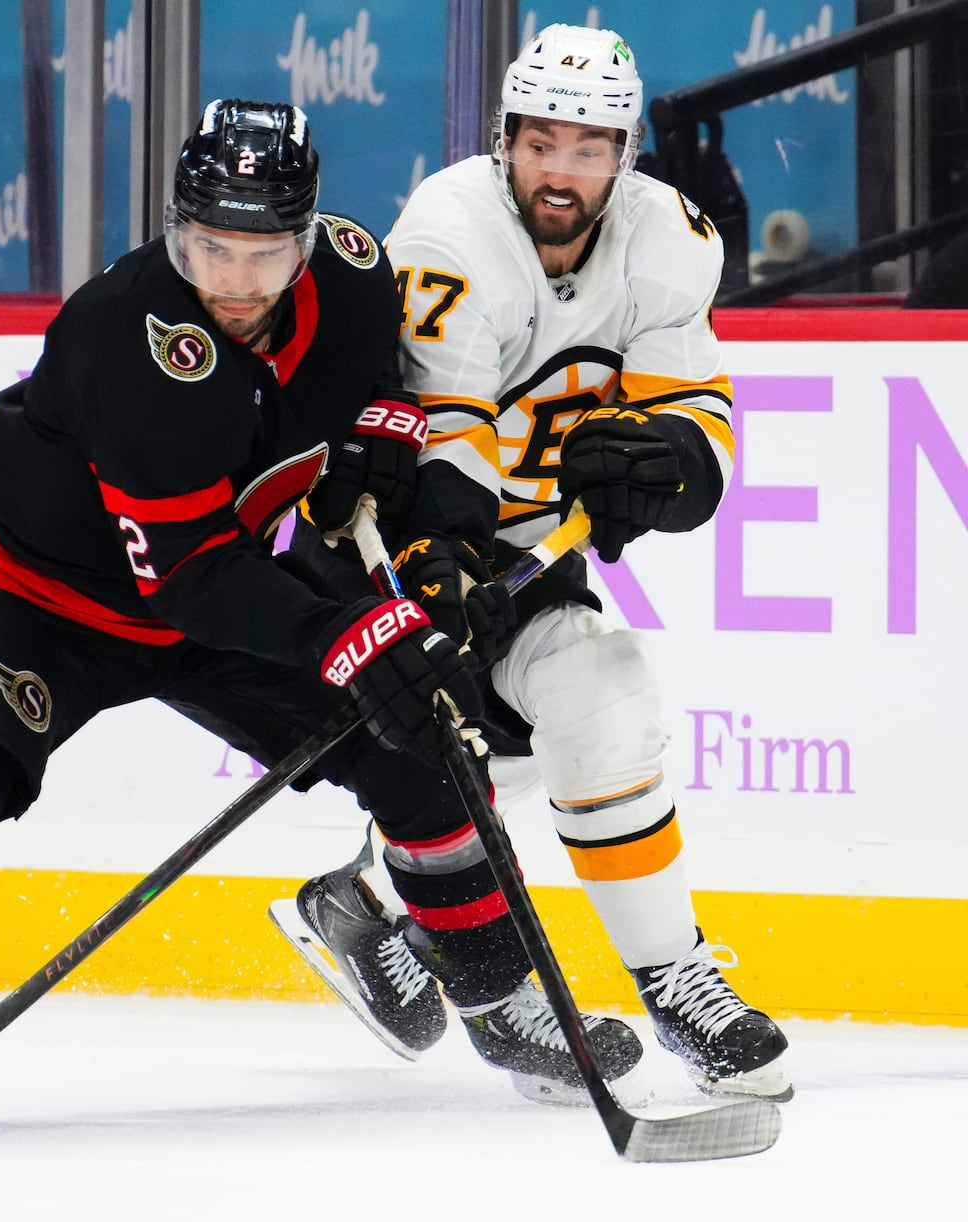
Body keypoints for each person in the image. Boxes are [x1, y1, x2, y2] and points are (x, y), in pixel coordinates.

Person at [0, 97, 619, 1123]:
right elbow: (186, 575)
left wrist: (385, 456)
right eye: (206, 247)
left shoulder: (358, 278)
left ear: (309, 242)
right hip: (35, 600)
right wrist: (350, 632)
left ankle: (501, 1001)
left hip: (210, 596)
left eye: (262, 257)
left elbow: (374, 398)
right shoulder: (124, 337)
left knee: (422, 747)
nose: (231, 281)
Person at [272, 25, 792, 1104]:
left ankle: (664, 979)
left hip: (521, 555)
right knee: (448, 745)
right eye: (542, 141)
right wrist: (443, 554)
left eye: (591, 147)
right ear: (505, 138)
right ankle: (446, 956)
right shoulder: (452, 228)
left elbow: (692, 401)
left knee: (600, 688)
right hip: (393, 536)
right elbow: (448, 422)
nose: (562, 169)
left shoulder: (670, 242)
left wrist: (678, 462)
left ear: (627, 153)